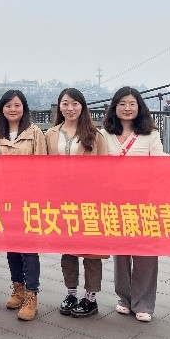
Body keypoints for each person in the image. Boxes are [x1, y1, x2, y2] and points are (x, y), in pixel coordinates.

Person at [100, 86, 165, 323]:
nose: (127, 108)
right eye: (122, 104)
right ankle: (124, 297)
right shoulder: (104, 135)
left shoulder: (150, 134)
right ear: (114, 107)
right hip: (114, 201)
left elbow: (160, 165)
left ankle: (144, 302)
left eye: (132, 104)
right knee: (120, 252)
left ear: (139, 108)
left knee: (145, 252)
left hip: (144, 201)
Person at [46, 88, 108, 318]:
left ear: (82, 106)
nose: (70, 108)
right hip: (61, 200)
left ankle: (90, 297)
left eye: (74, 104)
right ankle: (71, 293)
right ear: (59, 107)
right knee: (68, 250)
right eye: (65, 104)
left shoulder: (95, 135)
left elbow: (106, 170)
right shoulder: (51, 134)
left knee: (91, 252)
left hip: (89, 200)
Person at [0, 89, 47, 321]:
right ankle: (18, 287)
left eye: (16, 105)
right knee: (12, 245)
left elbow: (43, 168)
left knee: (29, 248)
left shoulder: (34, 133)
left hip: (28, 199)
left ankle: (32, 295)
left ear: (24, 107)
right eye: (8, 105)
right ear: (2, 109)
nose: (12, 109)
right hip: (4, 199)